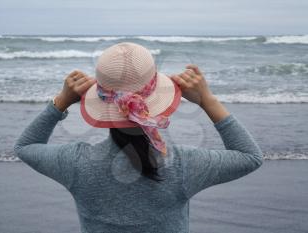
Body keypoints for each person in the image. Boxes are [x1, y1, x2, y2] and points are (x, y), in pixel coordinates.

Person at [14, 42, 263, 233]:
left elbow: (25, 146)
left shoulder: (77, 162)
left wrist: (61, 102)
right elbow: (249, 156)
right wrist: (208, 100)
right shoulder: (182, 165)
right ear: (158, 100)